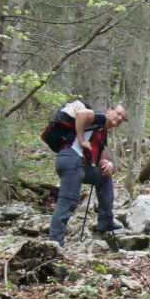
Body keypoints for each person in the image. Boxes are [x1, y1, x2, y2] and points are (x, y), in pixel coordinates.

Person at [48, 104, 128, 246]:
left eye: (123, 117)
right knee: (68, 201)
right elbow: (80, 115)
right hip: (72, 160)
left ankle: (105, 221)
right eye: (118, 113)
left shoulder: (102, 132)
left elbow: (100, 162)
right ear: (109, 110)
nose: (120, 118)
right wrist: (82, 140)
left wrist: (109, 164)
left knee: (104, 176)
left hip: (80, 166)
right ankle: (54, 244)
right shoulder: (100, 118)